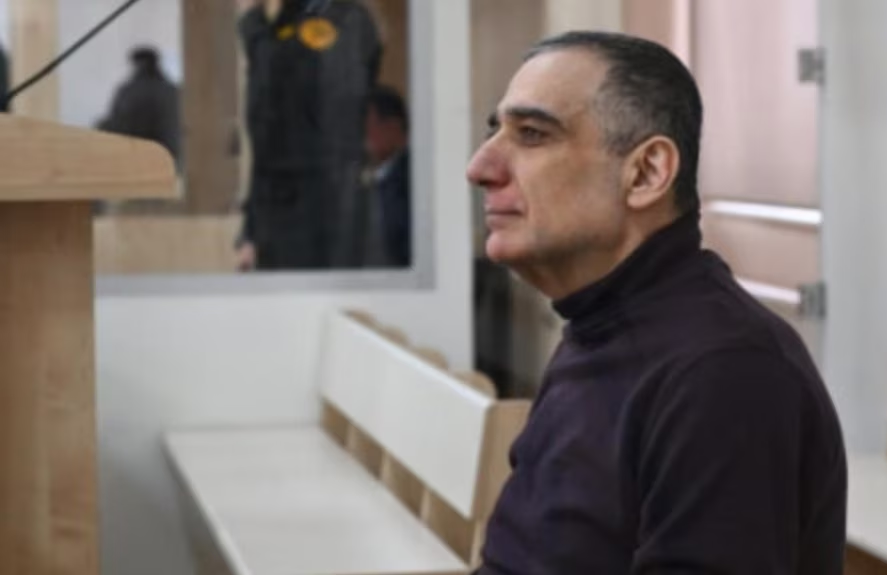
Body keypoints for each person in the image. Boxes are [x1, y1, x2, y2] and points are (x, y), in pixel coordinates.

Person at [467, 31, 847, 574]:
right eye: (496, 132)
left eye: (532, 134)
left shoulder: (724, 370)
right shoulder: (600, 320)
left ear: (646, 173)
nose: (480, 167)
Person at [236, 0, 382, 271]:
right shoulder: (293, 18)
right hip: (287, 207)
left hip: (320, 209)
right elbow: (266, 141)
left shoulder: (342, 20)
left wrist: (253, 24)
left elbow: (277, 98)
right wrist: (251, 231)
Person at [97, 47, 180, 163]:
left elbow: (120, 123)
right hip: (173, 157)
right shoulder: (173, 90)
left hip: (141, 156)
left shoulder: (130, 90)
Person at [364, 85, 411, 267]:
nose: (365, 136)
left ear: (392, 126)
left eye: (369, 126)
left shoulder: (409, 180)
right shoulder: (377, 175)